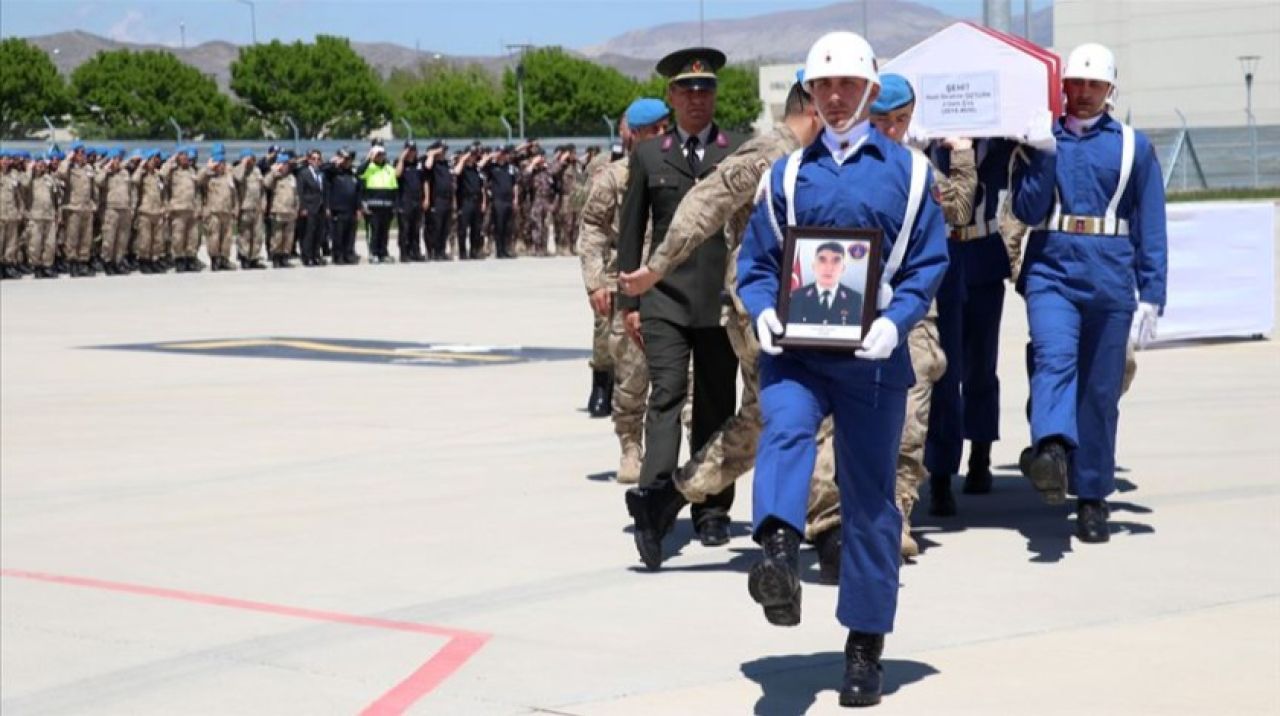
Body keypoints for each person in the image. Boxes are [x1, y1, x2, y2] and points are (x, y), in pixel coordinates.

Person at [736, 32, 948, 706]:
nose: (833, 97)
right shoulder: (787, 175)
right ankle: (776, 550)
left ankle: (864, 645)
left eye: (846, 85)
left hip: (872, 359)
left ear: (870, 87)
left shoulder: (911, 174)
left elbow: (926, 262)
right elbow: (758, 261)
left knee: (870, 504)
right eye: (821, 87)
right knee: (786, 432)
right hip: (798, 352)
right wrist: (761, 309)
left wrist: (897, 320)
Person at [619, 77, 857, 577]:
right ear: (811, 108)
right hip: (761, 310)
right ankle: (826, 527)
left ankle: (668, 497)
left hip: (807, 306)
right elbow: (704, 204)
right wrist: (658, 268)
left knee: (755, 423)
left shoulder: (818, 158)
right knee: (814, 412)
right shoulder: (769, 153)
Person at [1009, 42, 1166, 543]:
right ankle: (1052, 448)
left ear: (1110, 90)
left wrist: (1152, 293)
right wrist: (1041, 155)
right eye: (1074, 84)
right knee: (1054, 358)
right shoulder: (1037, 140)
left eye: (1093, 85)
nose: (1081, 94)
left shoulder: (1133, 148)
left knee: (1100, 392)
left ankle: (1093, 496)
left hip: (1110, 275)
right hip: (1051, 267)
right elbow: (1029, 212)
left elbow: (1151, 224)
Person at [617, 47, 747, 566]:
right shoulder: (650, 156)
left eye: (706, 90)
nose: (698, 98)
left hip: (719, 302)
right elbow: (631, 234)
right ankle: (653, 503)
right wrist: (630, 300)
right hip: (664, 300)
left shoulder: (738, 151)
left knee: (717, 404)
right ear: (671, 97)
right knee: (666, 396)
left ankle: (712, 507)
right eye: (688, 91)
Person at [869, 72, 977, 557]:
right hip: (847, 312)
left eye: (901, 121)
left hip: (910, 313)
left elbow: (957, 210)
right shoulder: (837, 163)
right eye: (881, 121)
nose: (891, 130)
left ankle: (898, 515)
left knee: (911, 419)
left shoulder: (916, 169)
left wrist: (962, 154)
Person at [579, 101, 669, 483]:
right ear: (636, 134)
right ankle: (631, 447)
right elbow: (592, 229)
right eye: (654, 131)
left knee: (686, 381)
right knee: (631, 378)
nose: (663, 137)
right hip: (628, 287)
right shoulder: (615, 178)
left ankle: (673, 456)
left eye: (666, 128)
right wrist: (596, 281)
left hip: (672, 287)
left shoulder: (678, 173)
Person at [789, 241, 864, 325]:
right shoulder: (798, 296)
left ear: (843, 268)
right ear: (813, 266)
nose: (828, 268)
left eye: (836, 261)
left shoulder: (854, 299)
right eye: (822, 260)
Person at [56, 141, 97, 277]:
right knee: (72, 237)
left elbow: (93, 188)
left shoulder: (88, 169)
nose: (83, 156)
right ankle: (72, 263)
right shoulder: (69, 169)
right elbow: (60, 173)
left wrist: (94, 203)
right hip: (74, 207)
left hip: (86, 207)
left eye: (83, 153)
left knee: (86, 237)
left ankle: (83, 262)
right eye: (79, 153)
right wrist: (68, 158)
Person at [162, 147, 203, 272]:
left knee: (192, 236)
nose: (185, 158)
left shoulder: (192, 171)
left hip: (191, 208)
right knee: (178, 237)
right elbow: (162, 174)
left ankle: (190, 259)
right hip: (178, 209)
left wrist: (198, 207)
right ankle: (179, 259)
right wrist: (171, 160)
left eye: (186, 155)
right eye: (182, 155)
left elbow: (197, 192)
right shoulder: (173, 171)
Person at [199, 146, 240, 271]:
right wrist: (208, 168)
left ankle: (224, 259)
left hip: (227, 212)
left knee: (227, 238)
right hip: (213, 212)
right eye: (219, 164)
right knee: (214, 237)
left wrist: (235, 208)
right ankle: (215, 260)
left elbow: (234, 194)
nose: (221, 166)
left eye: (223, 163)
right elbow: (198, 180)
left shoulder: (228, 176)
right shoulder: (208, 176)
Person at [358, 145, 398, 263]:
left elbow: (394, 187)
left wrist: (394, 204)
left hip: (387, 205)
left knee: (384, 232)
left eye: (382, 154)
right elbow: (359, 173)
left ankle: (383, 252)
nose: (380, 157)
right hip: (373, 206)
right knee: (374, 231)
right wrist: (369, 159)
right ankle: (373, 253)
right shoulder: (368, 167)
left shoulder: (389, 168)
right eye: (377, 154)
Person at [232, 149, 268, 269]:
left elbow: (262, 189)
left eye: (252, 158)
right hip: (245, 207)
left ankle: (254, 258)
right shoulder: (238, 170)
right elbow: (238, 178)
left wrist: (263, 204)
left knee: (257, 235)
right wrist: (243, 164)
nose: (250, 161)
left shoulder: (256, 171)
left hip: (257, 208)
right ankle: (245, 258)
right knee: (245, 235)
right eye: (248, 158)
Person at [263, 153, 300, 268]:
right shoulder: (275, 177)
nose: (285, 166)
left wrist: (296, 208)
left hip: (290, 212)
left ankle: (285, 257)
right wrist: (274, 171)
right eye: (283, 164)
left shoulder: (291, 178)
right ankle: (276, 258)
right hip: (278, 211)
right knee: (277, 237)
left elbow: (296, 195)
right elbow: (265, 184)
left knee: (288, 237)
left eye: (286, 164)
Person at [326, 148, 362, 265]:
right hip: (338, 209)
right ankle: (338, 256)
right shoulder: (333, 172)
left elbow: (358, 191)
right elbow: (323, 169)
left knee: (350, 234)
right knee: (338, 235)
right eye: (345, 159)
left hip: (351, 209)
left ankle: (348, 254)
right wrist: (334, 162)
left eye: (349, 159)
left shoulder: (353, 173)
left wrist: (359, 208)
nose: (347, 162)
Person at [482, 145, 519, 259]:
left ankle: (505, 249)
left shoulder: (510, 168)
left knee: (508, 227)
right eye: (502, 153)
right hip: (498, 200)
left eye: (505, 153)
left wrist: (515, 198)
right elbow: (480, 166)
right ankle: (499, 250)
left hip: (508, 199)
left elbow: (515, 184)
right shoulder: (492, 167)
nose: (504, 155)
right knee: (499, 226)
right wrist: (493, 156)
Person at [395, 141, 427, 262]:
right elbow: (397, 174)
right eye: (409, 150)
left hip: (417, 200)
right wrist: (402, 158)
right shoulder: (400, 163)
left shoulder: (418, 164)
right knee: (405, 229)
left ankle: (416, 252)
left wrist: (426, 198)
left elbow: (424, 181)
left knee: (416, 228)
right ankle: (404, 253)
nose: (412, 152)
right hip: (405, 201)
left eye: (414, 150)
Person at [297, 149, 328, 266]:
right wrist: (302, 207)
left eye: (318, 159)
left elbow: (325, 191)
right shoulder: (303, 173)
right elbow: (300, 192)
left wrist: (327, 206)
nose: (316, 161)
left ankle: (316, 255)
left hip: (320, 207)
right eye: (313, 159)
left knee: (319, 233)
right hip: (309, 207)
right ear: (309, 160)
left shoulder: (321, 174)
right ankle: (307, 256)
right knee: (308, 233)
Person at [424, 141, 454, 260]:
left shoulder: (446, 164)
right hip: (436, 199)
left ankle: (441, 250)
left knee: (445, 227)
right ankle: (433, 251)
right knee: (435, 226)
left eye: (445, 150)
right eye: (442, 150)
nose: (443, 152)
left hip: (447, 199)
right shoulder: (431, 162)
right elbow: (427, 167)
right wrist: (432, 154)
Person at [455, 146, 485, 259]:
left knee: (476, 228)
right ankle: (462, 252)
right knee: (463, 228)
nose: (473, 157)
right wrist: (464, 158)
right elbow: (456, 172)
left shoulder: (476, 169)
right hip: (465, 201)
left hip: (476, 200)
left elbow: (482, 187)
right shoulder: (462, 169)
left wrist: (483, 202)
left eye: (474, 155)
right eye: (471, 155)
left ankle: (474, 251)